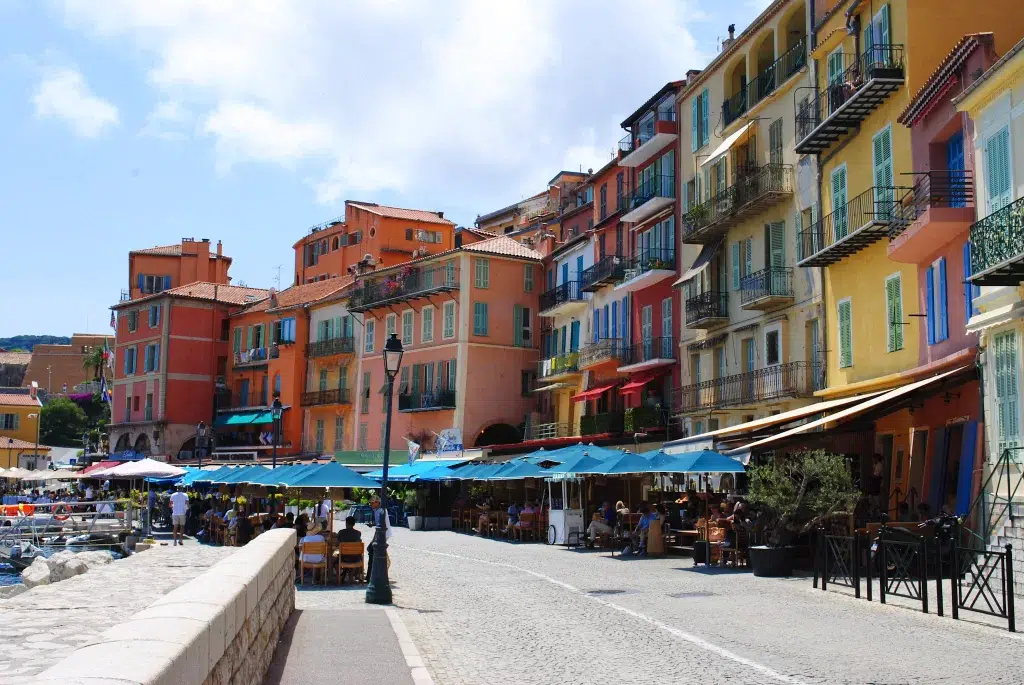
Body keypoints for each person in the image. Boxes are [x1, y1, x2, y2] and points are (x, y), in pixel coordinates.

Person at [335, 516, 363, 583]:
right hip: (355, 558)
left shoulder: (341, 532)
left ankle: (338, 576)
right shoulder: (358, 533)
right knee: (355, 555)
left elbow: (336, 544)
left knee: (334, 560)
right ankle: (351, 576)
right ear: (354, 524)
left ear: (346, 523)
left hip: (343, 557)